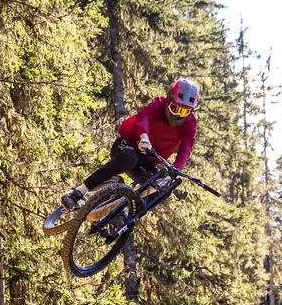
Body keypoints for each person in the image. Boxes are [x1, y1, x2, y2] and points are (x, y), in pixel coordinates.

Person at [61, 78, 199, 211]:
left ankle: (126, 212)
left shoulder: (189, 124)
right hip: (128, 145)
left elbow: (186, 149)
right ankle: (78, 192)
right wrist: (144, 138)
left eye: (184, 111)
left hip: (147, 161)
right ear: (169, 99)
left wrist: (175, 170)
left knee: (162, 189)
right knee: (128, 158)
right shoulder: (158, 105)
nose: (178, 115)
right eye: (175, 108)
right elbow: (143, 118)